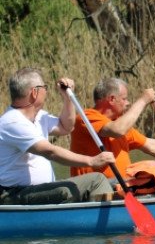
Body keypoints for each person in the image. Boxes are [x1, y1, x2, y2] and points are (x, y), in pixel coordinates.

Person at [0, 68, 116, 205]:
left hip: (36, 190)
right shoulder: (12, 122)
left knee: (110, 183)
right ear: (34, 92)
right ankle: (102, 224)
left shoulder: (39, 116)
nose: (47, 91)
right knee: (96, 180)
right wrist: (91, 161)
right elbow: (50, 151)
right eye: (45, 87)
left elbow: (66, 127)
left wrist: (68, 97)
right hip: (14, 193)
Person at [69, 78, 155, 179]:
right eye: (124, 99)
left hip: (121, 188)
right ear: (112, 99)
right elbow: (117, 130)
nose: (127, 103)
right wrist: (143, 100)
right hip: (95, 191)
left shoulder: (118, 121)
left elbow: (150, 145)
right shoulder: (86, 117)